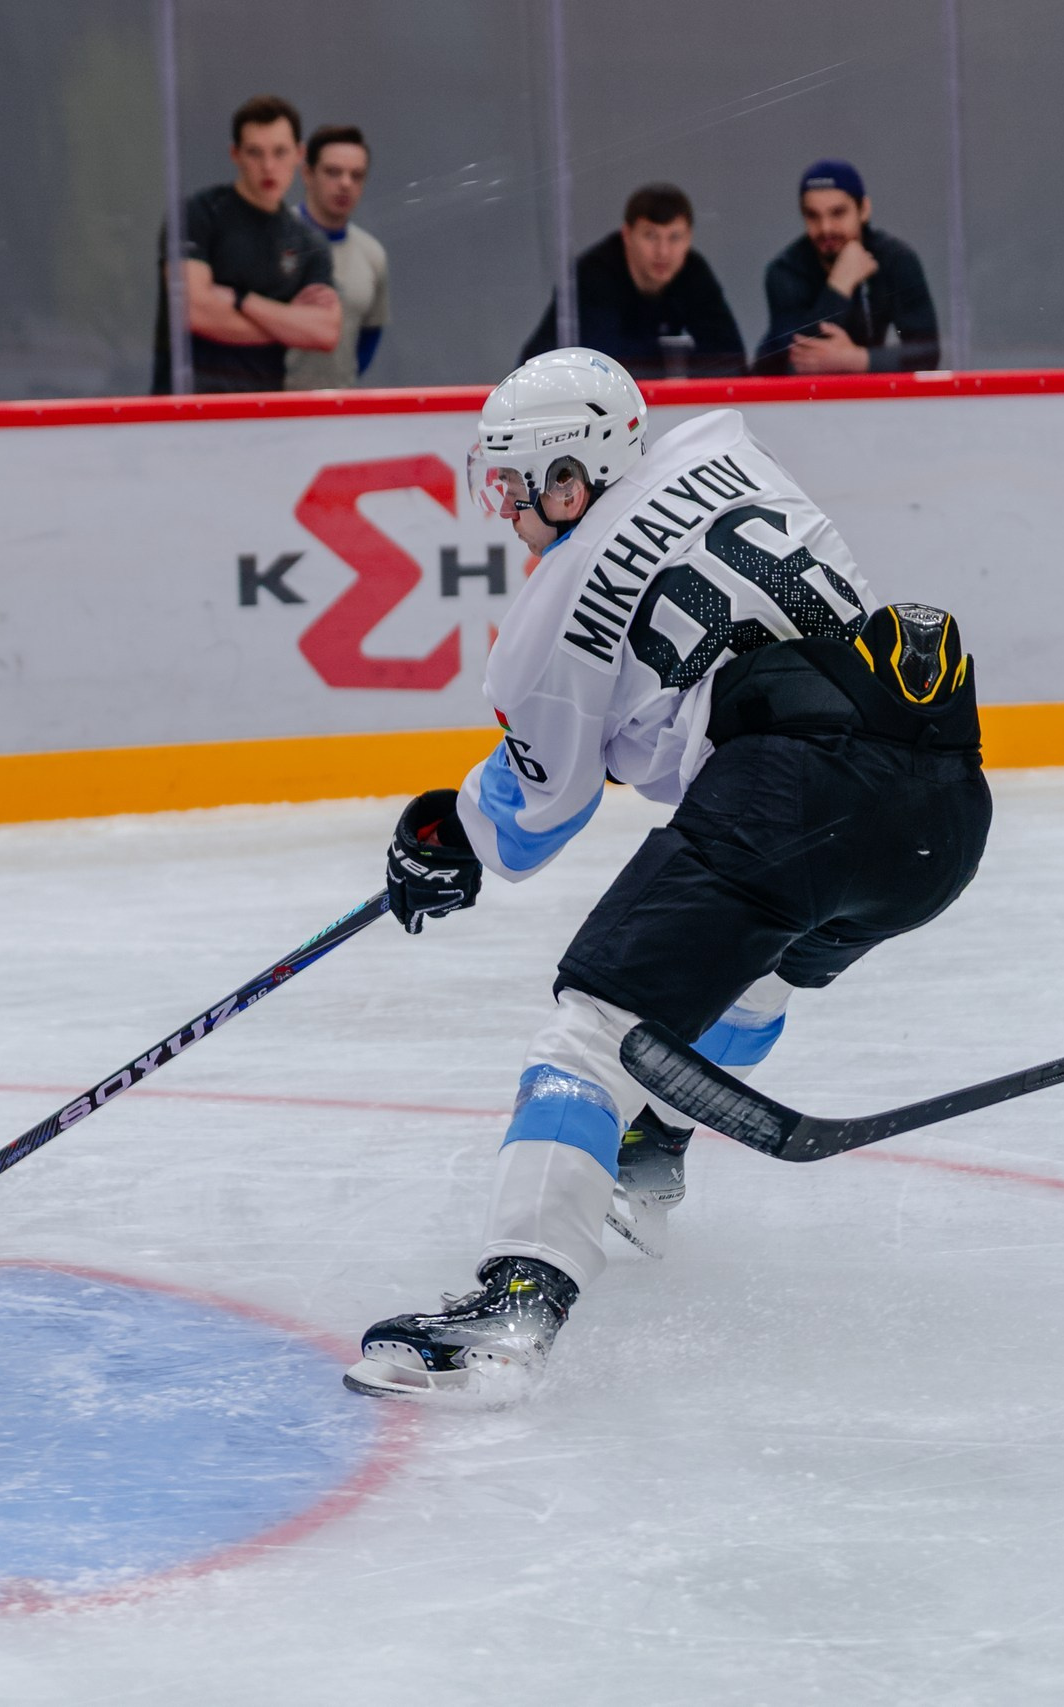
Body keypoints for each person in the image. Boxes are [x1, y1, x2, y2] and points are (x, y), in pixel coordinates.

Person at [344, 348, 990, 1399]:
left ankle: (515, 1310)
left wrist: (447, 834)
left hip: (790, 797)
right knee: (757, 962)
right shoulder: (731, 455)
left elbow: (534, 818)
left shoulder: (548, 615)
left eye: (512, 485)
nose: (504, 510)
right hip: (943, 808)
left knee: (590, 1028)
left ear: (568, 477)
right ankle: (650, 1157)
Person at [153, 94, 341, 395]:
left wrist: (240, 300)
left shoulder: (308, 243)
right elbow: (193, 311)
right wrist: (287, 325)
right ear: (235, 154)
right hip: (187, 413)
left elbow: (325, 331)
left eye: (280, 152)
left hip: (263, 417)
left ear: (299, 154)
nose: (268, 166)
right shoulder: (197, 214)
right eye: (255, 153)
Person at [520, 185, 745, 380]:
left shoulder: (694, 273)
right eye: (650, 236)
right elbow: (608, 365)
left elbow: (730, 357)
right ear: (627, 235)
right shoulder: (593, 276)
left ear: (688, 238)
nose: (663, 252)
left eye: (674, 237)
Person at [754, 160, 941, 376]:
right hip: (801, 405)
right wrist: (839, 286)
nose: (826, 228)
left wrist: (855, 360)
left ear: (864, 210)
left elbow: (928, 353)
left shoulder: (894, 259)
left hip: (874, 401)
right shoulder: (785, 270)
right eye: (813, 215)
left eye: (838, 213)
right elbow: (796, 360)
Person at [285, 124, 391, 391]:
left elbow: (370, 334)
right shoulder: (271, 239)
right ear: (308, 174)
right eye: (333, 172)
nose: (345, 183)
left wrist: (341, 384)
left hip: (341, 411)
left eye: (356, 175)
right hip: (275, 406)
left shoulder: (372, 254)